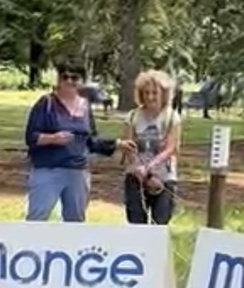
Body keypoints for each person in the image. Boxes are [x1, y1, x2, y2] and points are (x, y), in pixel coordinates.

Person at [24, 60, 134, 222]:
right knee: (37, 218)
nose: (69, 81)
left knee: (76, 221)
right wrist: (52, 138)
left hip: (77, 172)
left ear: (82, 81)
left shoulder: (85, 107)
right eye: (64, 77)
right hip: (47, 169)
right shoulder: (46, 103)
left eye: (74, 78)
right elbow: (31, 138)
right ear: (58, 79)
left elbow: (91, 141)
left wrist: (117, 144)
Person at [121, 70, 181, 225]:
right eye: (146, 93)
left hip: (164, 177)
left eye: (155, 93)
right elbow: (128, 145)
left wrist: (150, 168)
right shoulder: (132, 116)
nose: (150, 97)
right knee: (136, 223)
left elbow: (171, 148)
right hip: (136, 176)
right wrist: (139, 168)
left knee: (160, 222)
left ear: (164, 94)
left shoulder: (172, 117)